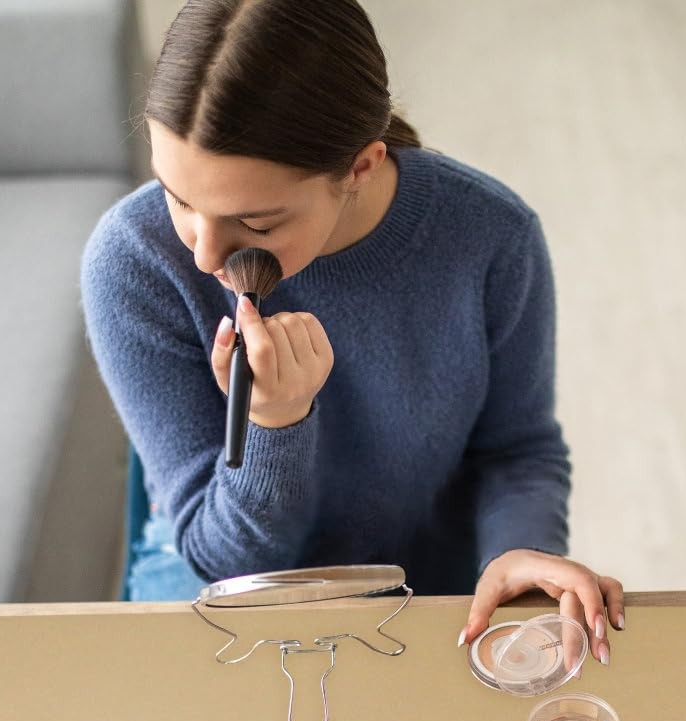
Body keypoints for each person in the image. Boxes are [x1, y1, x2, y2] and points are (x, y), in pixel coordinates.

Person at [81, 0, 623, 664]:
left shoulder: (491, 237)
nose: (204, 255)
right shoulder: (135, 262)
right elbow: (219, 561)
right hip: (220, 598)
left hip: (427, 592)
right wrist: (274, 425)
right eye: (178, 198)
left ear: (360, 167)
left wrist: (520, 549)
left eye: (256, 224)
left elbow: (516, 449)